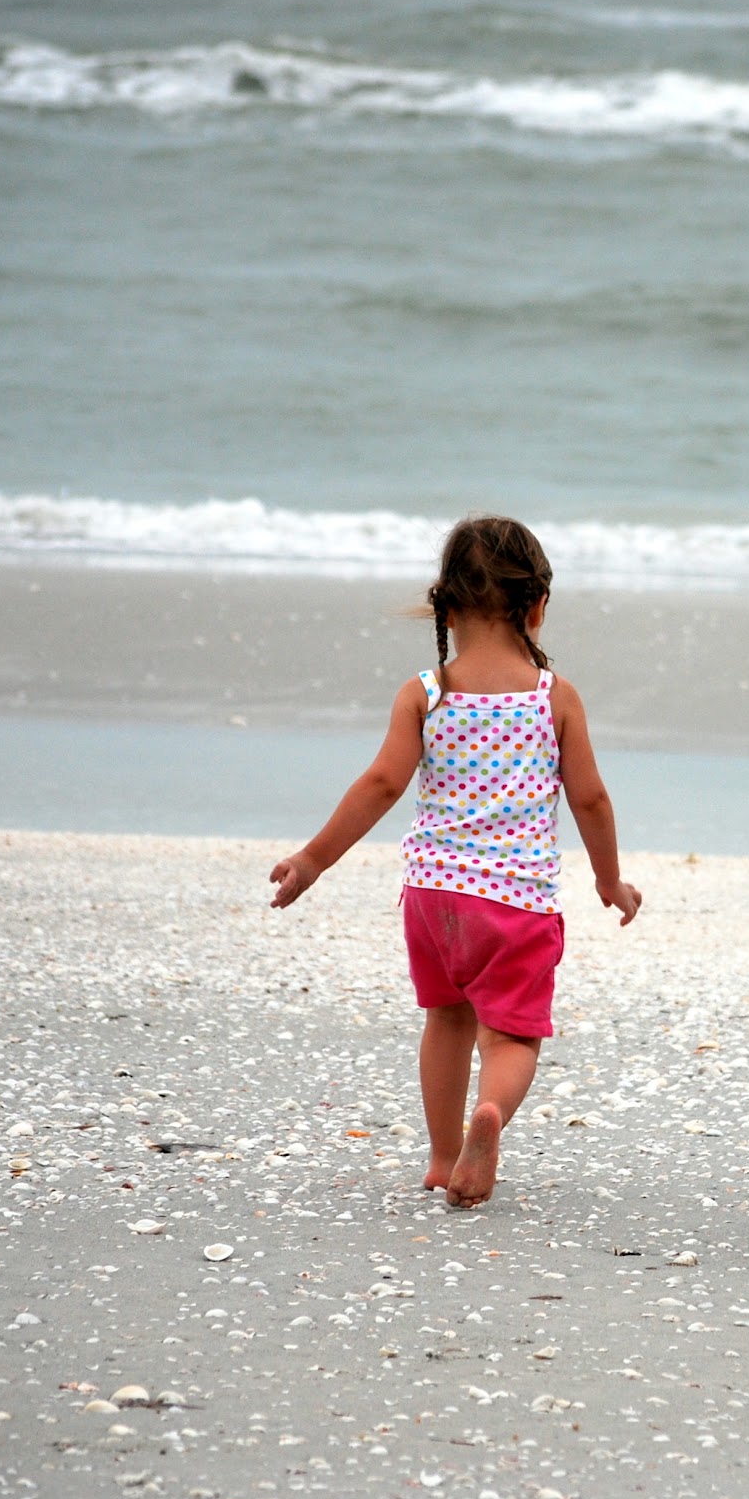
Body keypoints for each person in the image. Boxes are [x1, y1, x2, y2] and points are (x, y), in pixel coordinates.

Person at [270, 515, 641, 1208]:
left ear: (442, 607)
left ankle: (443, 1158)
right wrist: (607, 878)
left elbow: (382, 783)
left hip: (433, 897)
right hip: (516, 904)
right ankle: (489, 1113)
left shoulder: (426, 693)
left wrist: (313, 859)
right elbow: (589, 797)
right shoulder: (553, 698)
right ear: (537, 606)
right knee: (511, 1039)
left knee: (446, 1020)